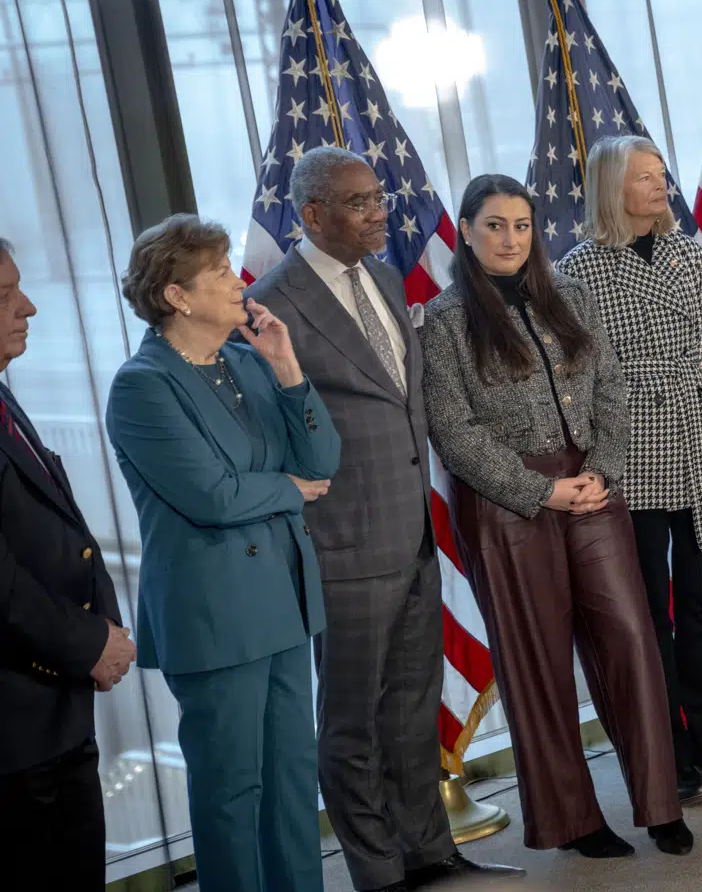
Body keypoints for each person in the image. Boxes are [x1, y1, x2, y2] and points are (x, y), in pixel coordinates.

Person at [245, 147, 519, 890]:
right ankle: (377, 868)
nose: (380, 212)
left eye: (378, 196)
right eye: (361, 202)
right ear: (312, 215)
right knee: (351, 722)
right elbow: (278, 433)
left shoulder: (388, 277)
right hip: (342, 545)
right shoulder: (273, 302)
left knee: (410, 708)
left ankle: (428, 850)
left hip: (414, 537)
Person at [421, 174, 691, 857]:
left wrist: (602, 468)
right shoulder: (446, 317)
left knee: (630, 634)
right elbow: (454, 433)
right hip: (506, 502)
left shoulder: (571, 295)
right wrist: (538, 491)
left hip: (592, 484)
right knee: (537, 659)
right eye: (494, 225)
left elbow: (610, 386)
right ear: (466, 230)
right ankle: (574, 820)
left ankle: (660, 802)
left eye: (522, 225)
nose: (510, 238)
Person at [105, 215, 339, 891]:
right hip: (214, 615)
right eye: (219, 273)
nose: (239, 282)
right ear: (177, 296)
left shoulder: (247, 359)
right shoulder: (142, 384)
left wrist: (290, 370)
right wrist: (288, 488)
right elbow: (211, 495)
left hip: (285, 603)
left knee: (293, 778)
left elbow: (323, 460)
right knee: (233, 789)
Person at [558, 135, 702, 806]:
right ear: (611, 188)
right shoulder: (580, 267)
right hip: (633, 443)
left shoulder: (683, 247)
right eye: (643, 177)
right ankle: (667, 751)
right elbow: (582, 372)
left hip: (697, 436)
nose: (659, 185)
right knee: (649, 612)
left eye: (660, 174)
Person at [0, 237, 132, 889]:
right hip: (15, 731)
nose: (27, 307)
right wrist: (88, 643)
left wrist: (105, 627)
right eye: (4, 296)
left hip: (56, 712)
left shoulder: (3, 395)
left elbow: (65, 525)